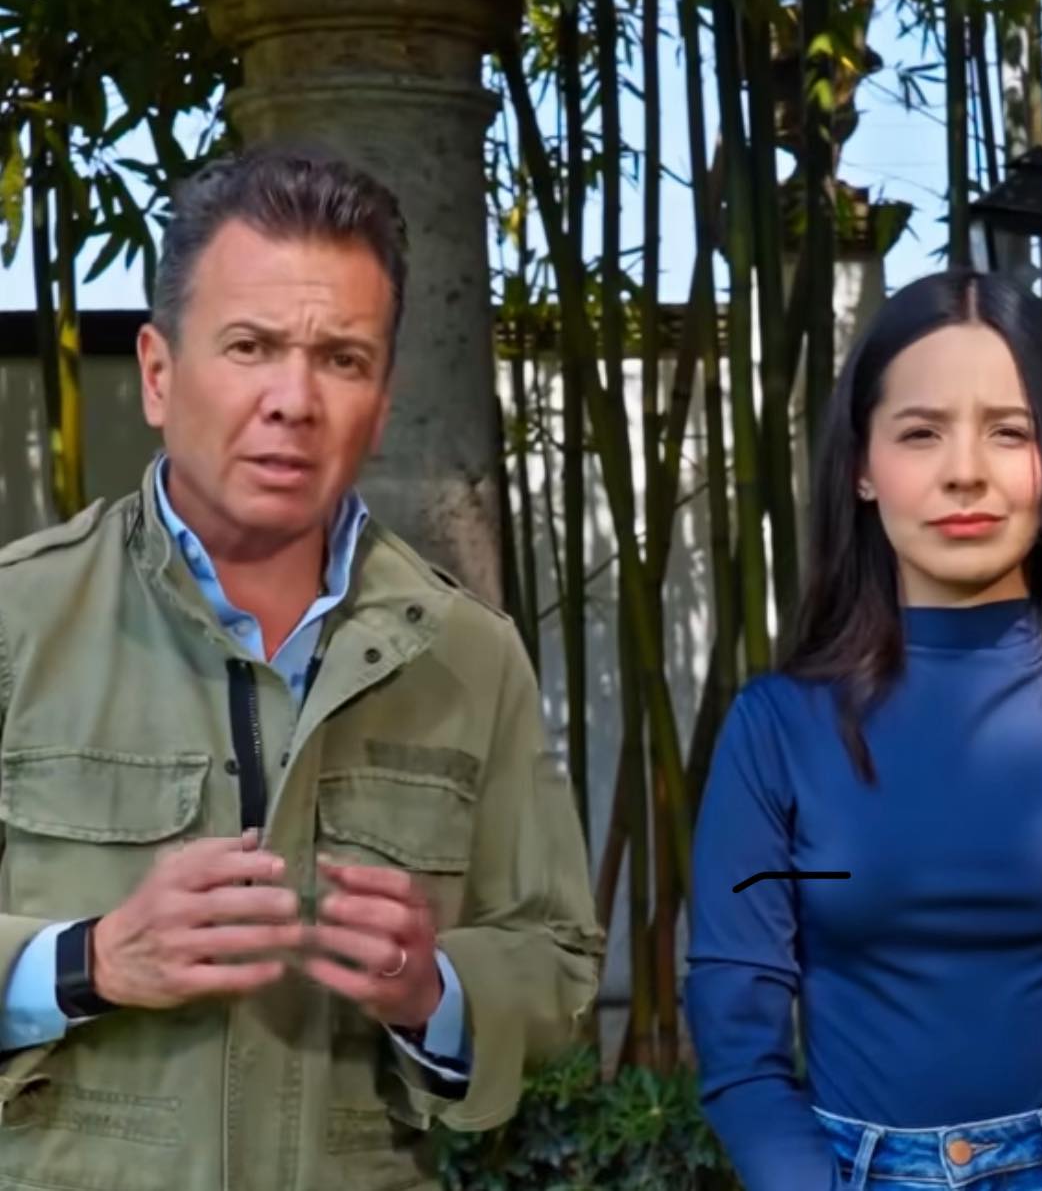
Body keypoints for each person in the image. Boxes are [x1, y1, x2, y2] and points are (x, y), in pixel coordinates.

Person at [0, 143, 603, 1191]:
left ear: (382, 398)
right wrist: (87, 962)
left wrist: (433, 989)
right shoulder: (18, 622)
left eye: (342, 359)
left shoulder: (468, 657)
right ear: (158, 373)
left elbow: (557, 962)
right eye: (250, 345)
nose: (294, 398)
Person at [685, 270, 1042, 1191]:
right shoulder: (776, 731)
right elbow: (737, 1037)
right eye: (920, 433)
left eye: (1009, 431)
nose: (964, 471)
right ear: (861, 464)